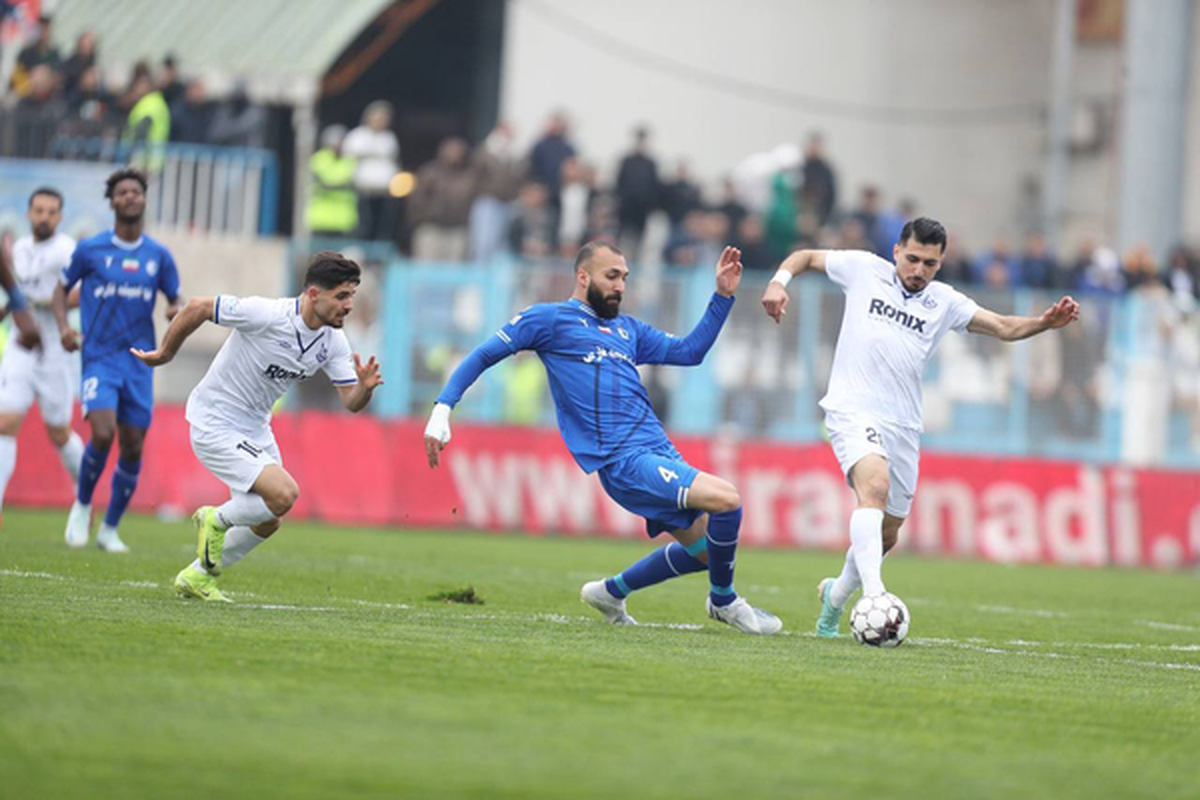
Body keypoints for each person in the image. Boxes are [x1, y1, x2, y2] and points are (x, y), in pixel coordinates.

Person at [424, 241, 782, 635]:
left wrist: (723, 296)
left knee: (706, 553)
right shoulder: (549, 320)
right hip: (623, 460)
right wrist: (443, 408)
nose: (620, 286)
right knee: (727, 499)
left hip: (659, 450)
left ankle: (610, 592)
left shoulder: (627, 329)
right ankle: (724, 601)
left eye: (624, 278)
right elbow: (483, 355)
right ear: (583, 276)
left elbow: (690, 352)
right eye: (611, 276)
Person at [761, 217, 1080, 637]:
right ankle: (875, 597)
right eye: (912, 259)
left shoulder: (944, 301)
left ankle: (834, 599)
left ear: (940, 262)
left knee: (887, 532)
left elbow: (1002, 326)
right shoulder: (863, 269)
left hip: (904, 424)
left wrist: (1044, 323)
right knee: (874, 487)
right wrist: (779, 282)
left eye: (929, 263)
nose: (918, 270)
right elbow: (804, 257)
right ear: (896, 251)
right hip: (852, 409)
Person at [129, 252, 383, 602]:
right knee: (285, 493)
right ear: (313, 294)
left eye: (351, 296)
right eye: (342, 296)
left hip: (255, 428)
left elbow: (350, 402)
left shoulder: (333, 342)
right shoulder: (268, 314)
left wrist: (364, 389)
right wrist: (164, 354)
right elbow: (199, 307)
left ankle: (197, 576)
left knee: (269, 518)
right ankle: (215, 518)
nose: (349, 305)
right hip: (215, 419)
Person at [52, 168, 183, 552]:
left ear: (144, 200)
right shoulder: (91, 249)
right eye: (123, 192)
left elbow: (174, 297)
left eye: (136, 192)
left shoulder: (158, 256)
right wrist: (63, 327)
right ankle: (82, 505)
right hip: (99, 357)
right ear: (111, 202)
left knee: (133, 445)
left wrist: (175, 309)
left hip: (140, 362)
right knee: (103, 432)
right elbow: (61, 290)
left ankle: (110, 529)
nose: (130, 197)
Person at [0, 189, 85, 520]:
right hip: (21, 345)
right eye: (39, 210)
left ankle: (84, 494)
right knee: (5, 422)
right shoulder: (19, 249)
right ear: (28, 213)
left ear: (60, 217)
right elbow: (18, 293)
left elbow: (80, 293)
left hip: (55, 348)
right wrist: (10, 309)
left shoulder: (67, 250)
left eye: (51, 212)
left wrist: (47, 302)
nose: (44, 217)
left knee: (59, 432)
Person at [343, 101, 400, 242]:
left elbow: (394, 162)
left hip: (384, 191)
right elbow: (348, 161)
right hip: (362, 190)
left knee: (382, 227)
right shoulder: (357, 136)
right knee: (363, 225)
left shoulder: (389, 138)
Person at [306, 125, 358, 238]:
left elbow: (352, 181)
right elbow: (324, 182)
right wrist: (340, 185)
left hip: (344, 220)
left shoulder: (350, 160)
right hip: (320, 219)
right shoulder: (318, 159)